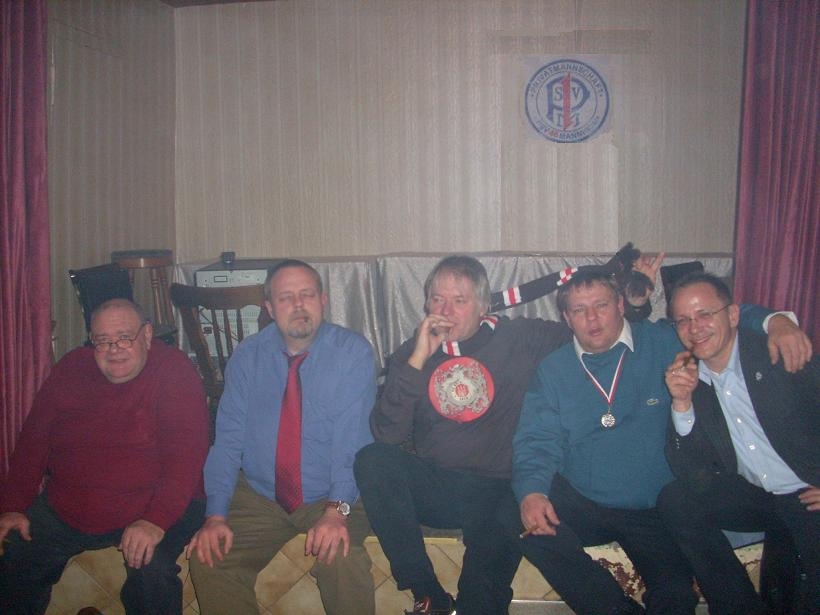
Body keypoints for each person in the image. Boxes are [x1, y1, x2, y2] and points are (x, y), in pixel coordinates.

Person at [353, 253, 659, 615]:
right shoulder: (414, 351)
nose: (446, 311)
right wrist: (418, 359)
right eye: (437, 299)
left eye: (459, 300)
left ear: (484, 305)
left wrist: (635, 302)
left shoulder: (522, 337)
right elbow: (387, 435)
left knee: (482, 593)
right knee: (373, 460)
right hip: (441, 486)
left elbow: (595, 331)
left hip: (501, 491)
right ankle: (428, 593)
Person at [508, 267, 812, 615]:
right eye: (579, 309)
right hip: (584, 498)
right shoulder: (554, 368)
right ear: (567, 318)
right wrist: (532, 493)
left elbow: (716, 319)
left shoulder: (665, 341)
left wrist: (775, 321)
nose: (591, 318)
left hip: (653, 507)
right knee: (515, 514)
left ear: (620, 305)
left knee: (675, 596)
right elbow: (536, 439)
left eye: (601, 305)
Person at [186, 259, 377, 615]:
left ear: (323, 300)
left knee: (341, 557)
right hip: (262, 493)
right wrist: (216, 515)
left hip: (334, 489)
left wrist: (336, 510)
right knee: (209, 558)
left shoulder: (352, 353)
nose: (299, 304)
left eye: (307, 294)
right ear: (270, 308)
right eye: (286, 297)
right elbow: (227, 439)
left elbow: (352, 443)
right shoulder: (248, 357)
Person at [0, 299, 209, 615]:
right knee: (15, 556)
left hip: (156, 502)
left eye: (124, 337)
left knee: (151, 572)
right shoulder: (71, 368)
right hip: (69, 506)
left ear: (147, 335)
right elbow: (34, 440)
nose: (114, 349)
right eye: (102, 340)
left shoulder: (174, 370)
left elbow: (186, 458)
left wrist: (155, 520)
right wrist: (13, 506)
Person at [659, 272, 818, 615]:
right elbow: (689, 471)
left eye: (704, 314)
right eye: (683, 320)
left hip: (808, 493)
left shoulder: (778, 351)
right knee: (676, 498)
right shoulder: (691, 377)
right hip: (757, 496)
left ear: (733, 315)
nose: (694, 327)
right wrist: (682, 403)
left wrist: (776, 321)